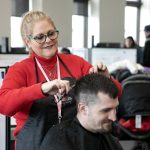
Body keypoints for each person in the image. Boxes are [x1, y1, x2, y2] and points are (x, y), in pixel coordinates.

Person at [0, 11, 122, 150]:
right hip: (35, 144)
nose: (48, 40)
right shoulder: (20, 70)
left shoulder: (76, 63)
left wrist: (106, 78)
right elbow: (3, 105)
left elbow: (115, 94)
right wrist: (41, 89)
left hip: (73, 144)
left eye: (51, 33)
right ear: (28, 41)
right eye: (40, 37)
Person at [39, 73, 123, 150]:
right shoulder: (59, 142)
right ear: (83, 109)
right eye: (106, 110)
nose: (114, 118)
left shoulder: (109, 138)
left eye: (115, 108)